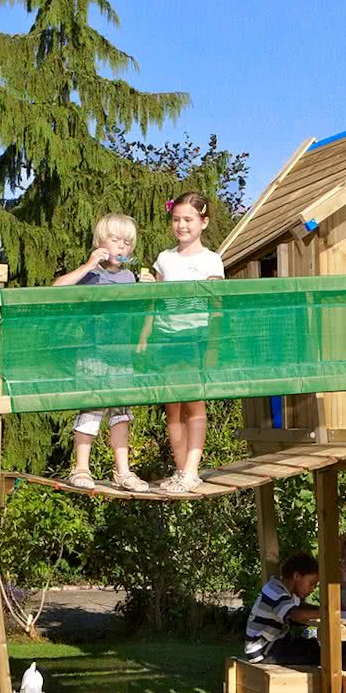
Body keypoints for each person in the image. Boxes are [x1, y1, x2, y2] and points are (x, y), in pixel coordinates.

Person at [54, 213, 149, 493]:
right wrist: (86, 265)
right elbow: (58, 288)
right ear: (99, 242)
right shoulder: (92, 274)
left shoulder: (130, 276)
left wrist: (147, 289)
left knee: (121, 413)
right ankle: (81, 468)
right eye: (116, 239)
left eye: (127, 242)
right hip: (93, 354)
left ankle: (123, 472)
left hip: (122, 356)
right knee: (92, 408)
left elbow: (140, 313)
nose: (122, 247)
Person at [138, 191, 224, 494]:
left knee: (194, 403)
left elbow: (216, 309)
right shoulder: (165, 258)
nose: (181, 225)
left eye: (188, 219)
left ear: (203, 222)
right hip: (166, 337)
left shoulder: (211, 260)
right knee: (172, 407)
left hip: (195, 337)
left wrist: (213, 346)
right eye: (176, 219)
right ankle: (179, 469)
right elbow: (155, 301)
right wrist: (145, 335)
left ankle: (191, 470)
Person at [243, 553, 321, 665]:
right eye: (312, 583)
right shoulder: (275, 591)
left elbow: (302, 608)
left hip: (274, 645)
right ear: (297, 576)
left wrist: (323, 609)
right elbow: (296, 614)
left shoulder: (287, 593)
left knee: (314, 646)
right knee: (318, 655)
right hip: (263, 651)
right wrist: (327, 611)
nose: (313, 589)